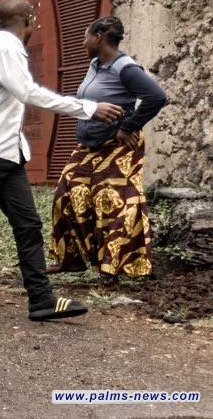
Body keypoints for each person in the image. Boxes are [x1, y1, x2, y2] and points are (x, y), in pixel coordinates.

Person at [0, 0, 123, 320]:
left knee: (27, 225)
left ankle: (41, 300)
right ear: (28, 22)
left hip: (7, 154)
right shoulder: (6, 49)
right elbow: (28, 92)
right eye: (32, 22)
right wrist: (89, 109)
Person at [48, 16, 167, 287]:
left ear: (98, 38)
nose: (82, 41)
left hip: (118, 145)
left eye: (85, 36)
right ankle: (69, 259)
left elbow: (156, 97)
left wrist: (128, 126)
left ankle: (110, 269)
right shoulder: (95, 65)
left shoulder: (124, 67)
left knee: (110, 200)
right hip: (90, 145)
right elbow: (89, 98)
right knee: (66, 192)